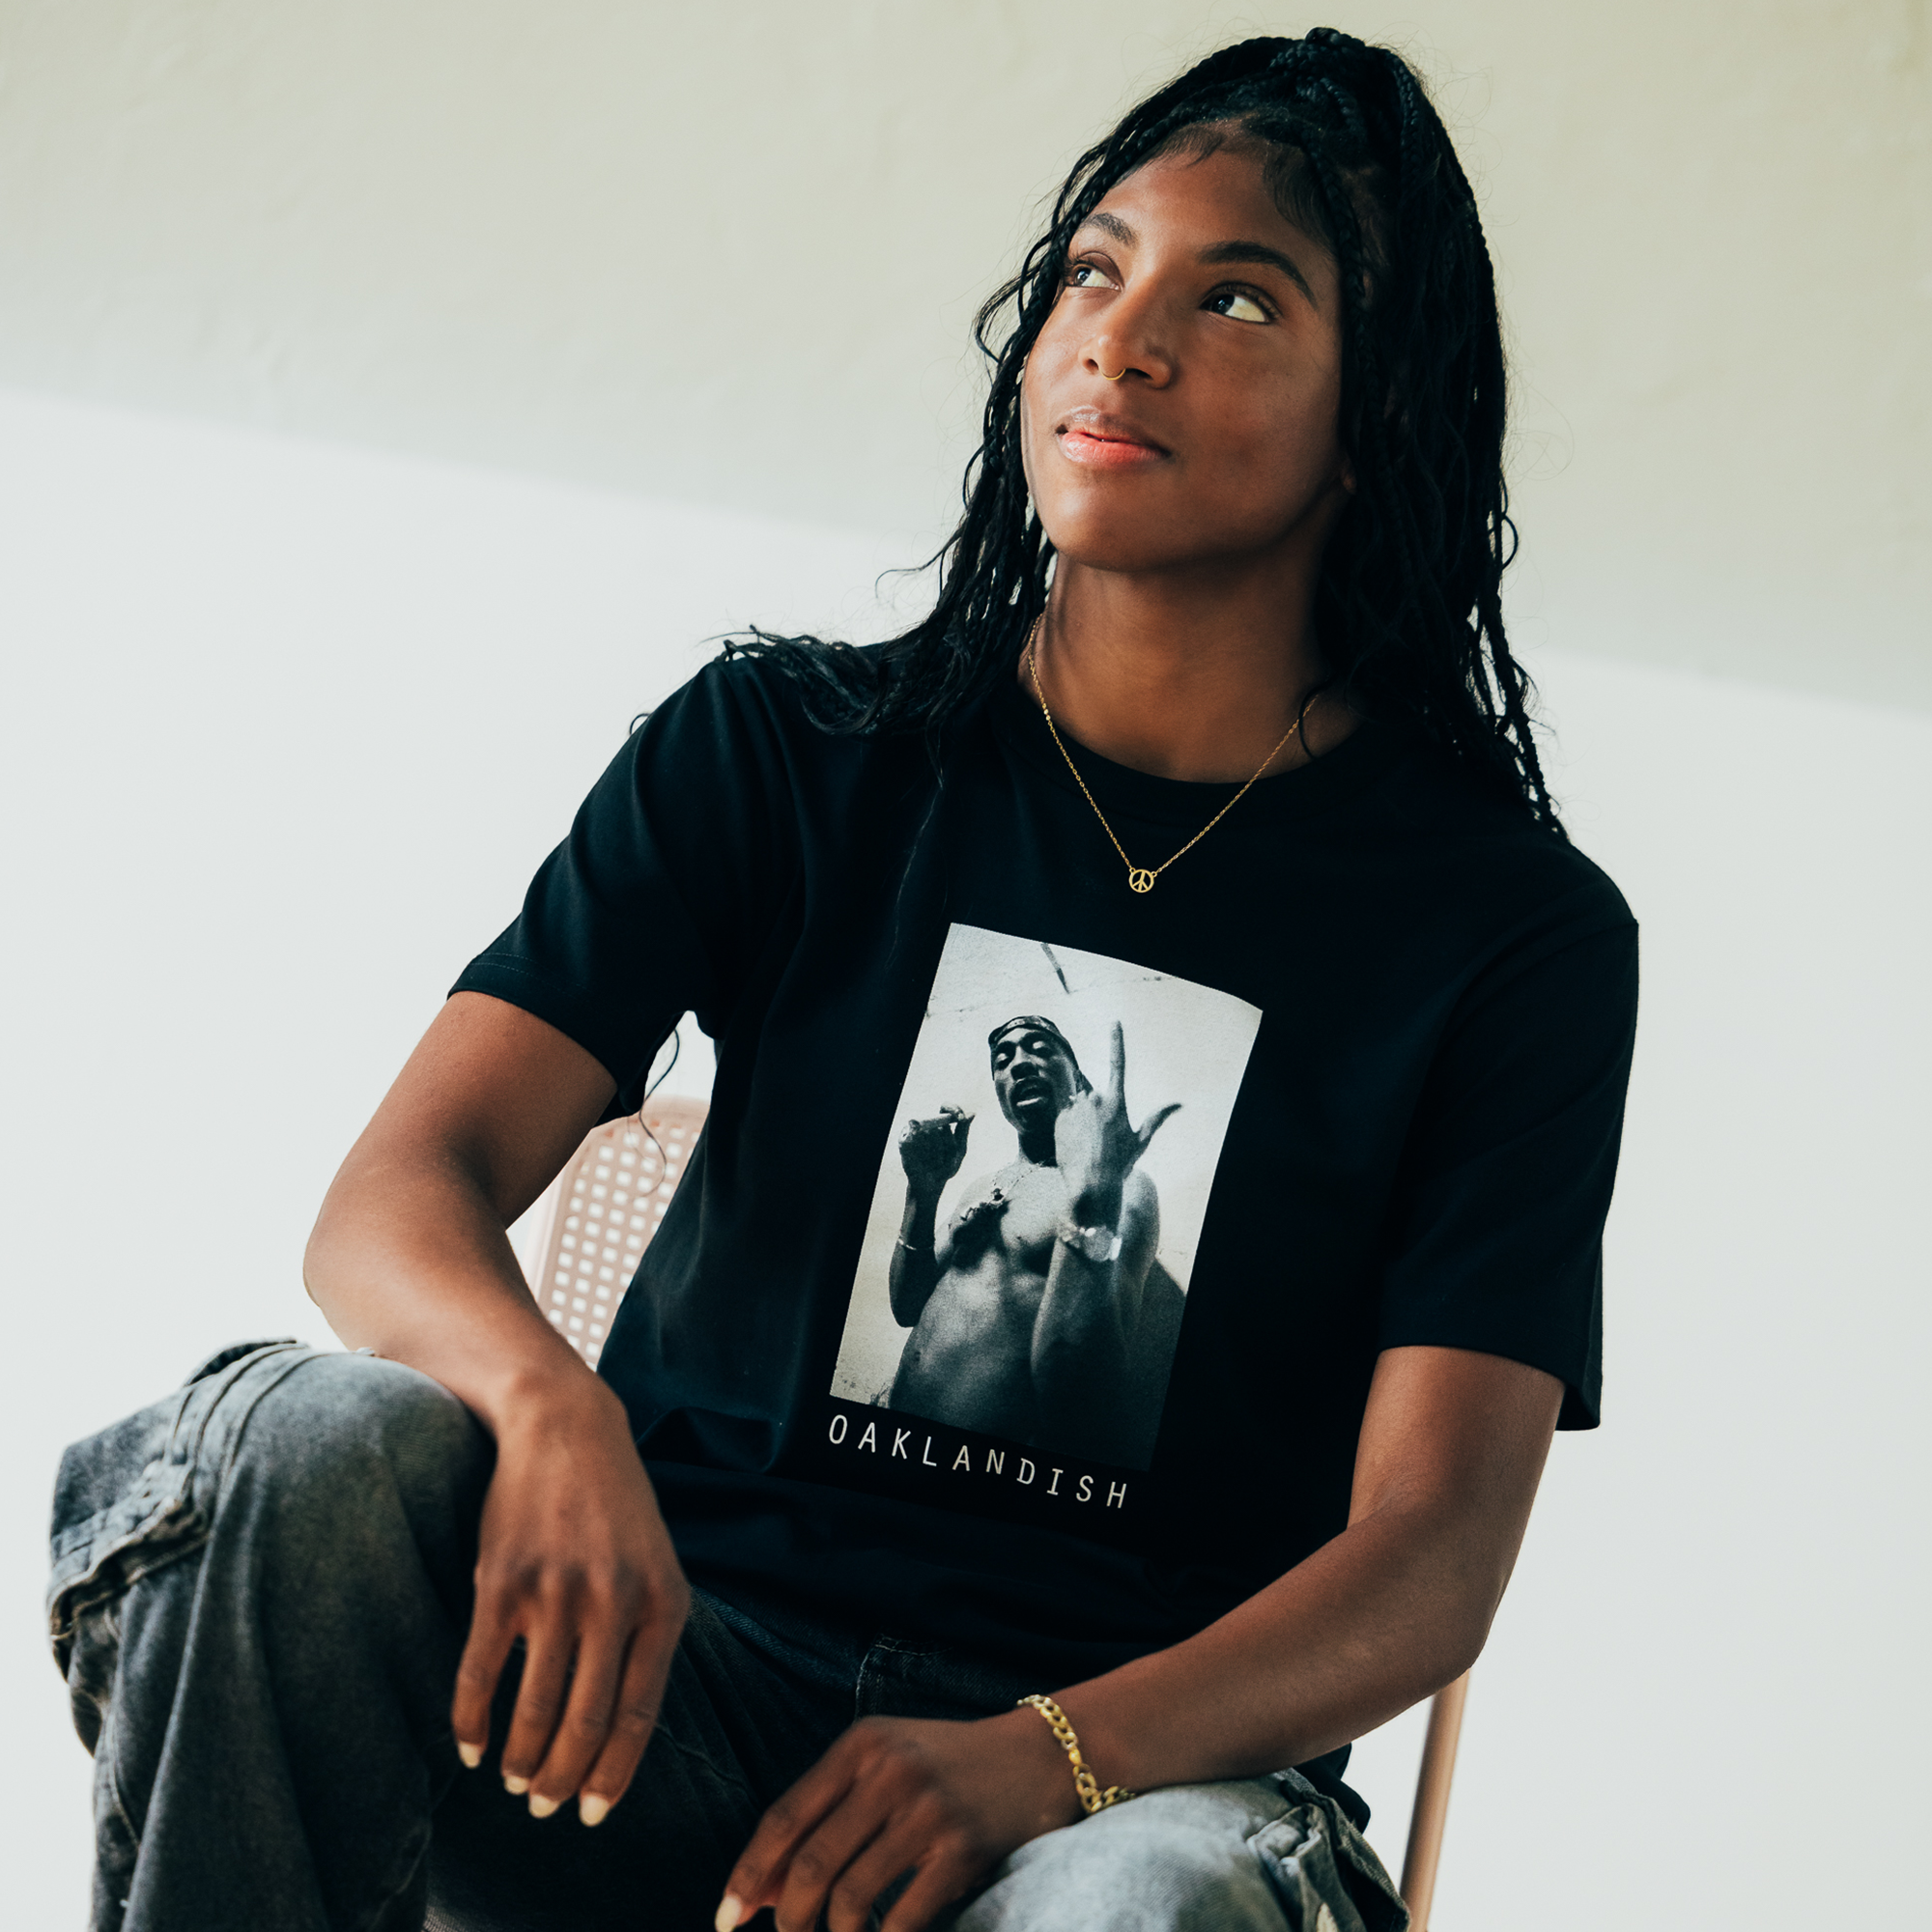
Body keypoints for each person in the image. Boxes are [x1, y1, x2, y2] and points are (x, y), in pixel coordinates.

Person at [46, 29, 1638, 1932]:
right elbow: (394, 1202)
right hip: (651, 1705)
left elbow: (1426, 1557)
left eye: (1234, 296)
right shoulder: (785, 754)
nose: (1119, 342)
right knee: (316, 1442)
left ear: (1374, 408)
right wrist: (549, 1407)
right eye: (1091, 270)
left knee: (1159, 1903)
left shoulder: (1502, 932)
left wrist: (1035, 1753)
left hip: (1104, 1802)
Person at [887, 1016, 1181, 1468]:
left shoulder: (1123, 1187)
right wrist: (922, 1194)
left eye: (1040, 1049)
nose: (1019, 1063)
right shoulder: (983, 1185)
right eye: (1002, 1060)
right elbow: (907, 1306)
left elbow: (1081, 1407)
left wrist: (1095, 1194)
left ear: (1077, 1078)